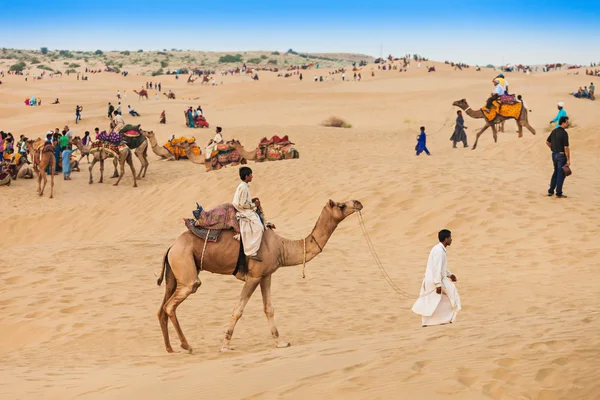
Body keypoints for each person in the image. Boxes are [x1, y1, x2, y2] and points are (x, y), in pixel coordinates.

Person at [411, 229, 461, 327]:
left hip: (435, 279)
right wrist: (438, 284)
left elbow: (441, 267)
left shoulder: (439, 249)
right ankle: (443, 319)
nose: (451, 239)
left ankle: (439, 320)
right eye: (450, 237)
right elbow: (437, 268)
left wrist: (450, 275)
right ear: (446, 239)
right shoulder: (439, 251)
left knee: (439, 300)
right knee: (451, 295)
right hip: (434, 280)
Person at [233, 167, 264, 262]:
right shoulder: (243, 188)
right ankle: (251, 251)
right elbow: (242, 204)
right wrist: (254, 204)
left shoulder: (244, 186)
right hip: (243, 210)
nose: (252, 176)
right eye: (251, 175)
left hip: (244, 208)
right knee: (259, 228)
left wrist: (252, 200)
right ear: (247, 176)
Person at [546, 116, 570, 198]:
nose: (567, 124)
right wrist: (568, 160)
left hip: (554, 154)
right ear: (563, 123)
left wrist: (552, 149)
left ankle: (550, 191)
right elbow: (566, 147)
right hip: (561, 155)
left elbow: (547, 142)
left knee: (555, 172)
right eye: (567, 122)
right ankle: (558, 193)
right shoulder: (564, 133)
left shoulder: (554, 131)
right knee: (561, 174)